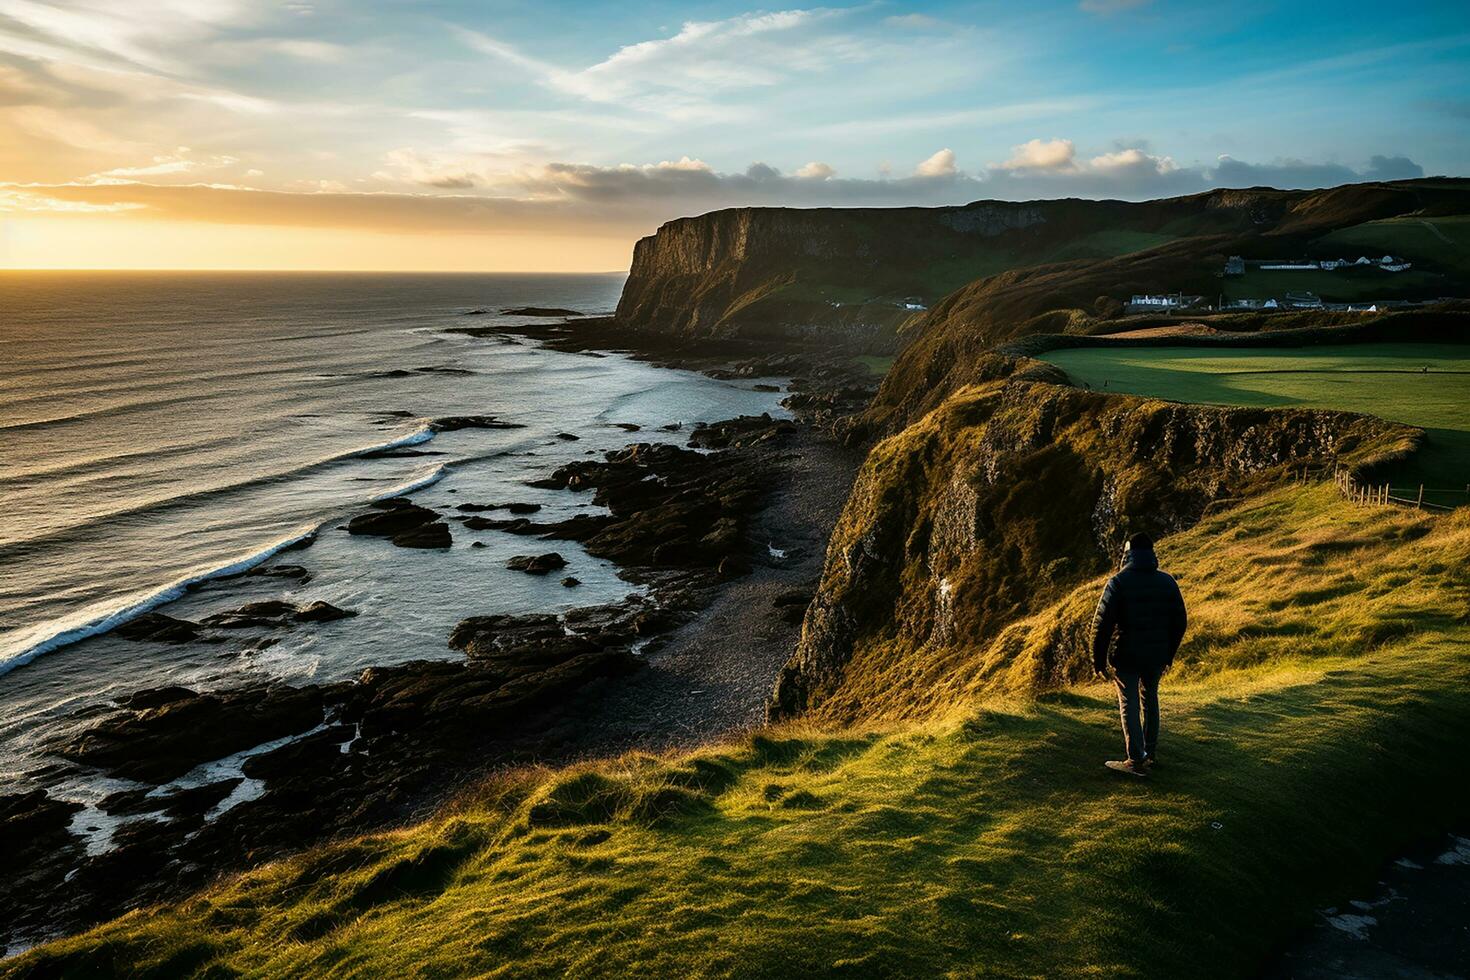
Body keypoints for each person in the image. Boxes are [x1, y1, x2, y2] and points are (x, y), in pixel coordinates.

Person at [1090, 532, 1187, 777]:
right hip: (1156, 655)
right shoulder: (1167, 582)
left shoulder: (1119, 582)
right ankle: (1149, 753)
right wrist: (1168, 654)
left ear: (1128, 554)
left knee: (1129, 702)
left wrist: (1098, 660)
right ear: (1152, 553)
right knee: (1150, 699)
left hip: (1128, 654)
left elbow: (1101, 625)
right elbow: (1180, 622)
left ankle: (1135, 759)